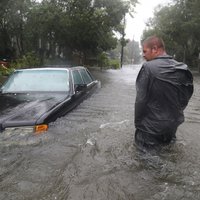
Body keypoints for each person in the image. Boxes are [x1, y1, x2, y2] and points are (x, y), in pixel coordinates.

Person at [134, 35, 193, 150]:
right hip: (171, 127)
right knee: (167, 154)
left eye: (145, 51)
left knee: (145, 162)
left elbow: (140, 101)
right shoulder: (182, 69)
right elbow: (186, 96)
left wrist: (138, 125)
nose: (143, 55)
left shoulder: (147, 67)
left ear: (155, 49)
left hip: (149, 131)